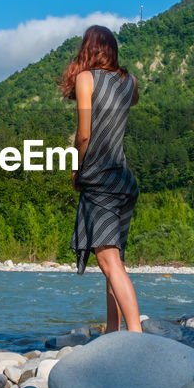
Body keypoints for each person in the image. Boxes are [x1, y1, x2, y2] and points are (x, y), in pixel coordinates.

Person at [60, 24, 142, 333]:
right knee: (115, 259)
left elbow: (83, 134)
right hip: (124, 181)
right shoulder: (130, 82)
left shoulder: (85, 79)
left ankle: (135, 334)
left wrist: (75, 169)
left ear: (88, 49)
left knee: (108, 261)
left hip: (100, 179)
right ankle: (112, 330)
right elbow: (128, 102)